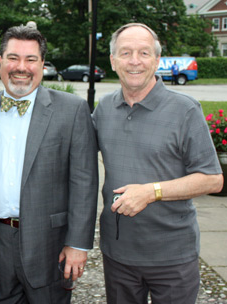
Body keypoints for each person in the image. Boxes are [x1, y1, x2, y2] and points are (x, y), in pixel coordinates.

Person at [92, 23, 224, 304]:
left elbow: (213, 179)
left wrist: (153, 191)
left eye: (143, 53)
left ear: (157, 60)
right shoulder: (103, 109)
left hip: (172, 257)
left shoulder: (185, 110)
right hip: (118, 254)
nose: (135, 61)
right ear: (113, 61)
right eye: (125, 53)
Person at [0, 25, 99, 304]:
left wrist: (77, 244)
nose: (21, 67)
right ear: (0, 60)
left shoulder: (72, 110)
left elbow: (84, 181)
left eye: (31, 59)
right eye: (13, 57)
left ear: (42, 64)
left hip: (49, 243)